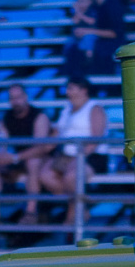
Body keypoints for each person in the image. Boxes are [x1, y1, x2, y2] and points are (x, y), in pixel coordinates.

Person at [0, 85, 52, 226]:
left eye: (18, 97)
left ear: (25, 97)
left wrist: (14, 158)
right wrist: (0, 154)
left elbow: (40, 148)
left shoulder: (39, 116)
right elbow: (2, 141)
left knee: (33, 162)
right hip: (18, 159)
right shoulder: (7, 117)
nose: (16, 101)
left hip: (39, 160)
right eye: (12, 98)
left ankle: (31, 212)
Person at [38, 77, 107, 226]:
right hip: (67, 155)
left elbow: (96, 137)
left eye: (71, 88)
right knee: (45, 175)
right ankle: (78, 207)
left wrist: (80, 157)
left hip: (91, 156)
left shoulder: (95, 108)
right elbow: (56, 134)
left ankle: (72, 213)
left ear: (83, 90)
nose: (67, 92)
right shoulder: (66, 110)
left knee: (71, 176)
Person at [63, 0, 127, 80]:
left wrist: (87, 31)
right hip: (98, 40)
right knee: (73, 49)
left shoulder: (112, 5)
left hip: (112, 42)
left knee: (98, 53)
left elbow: (116, 33)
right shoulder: (93, 7)